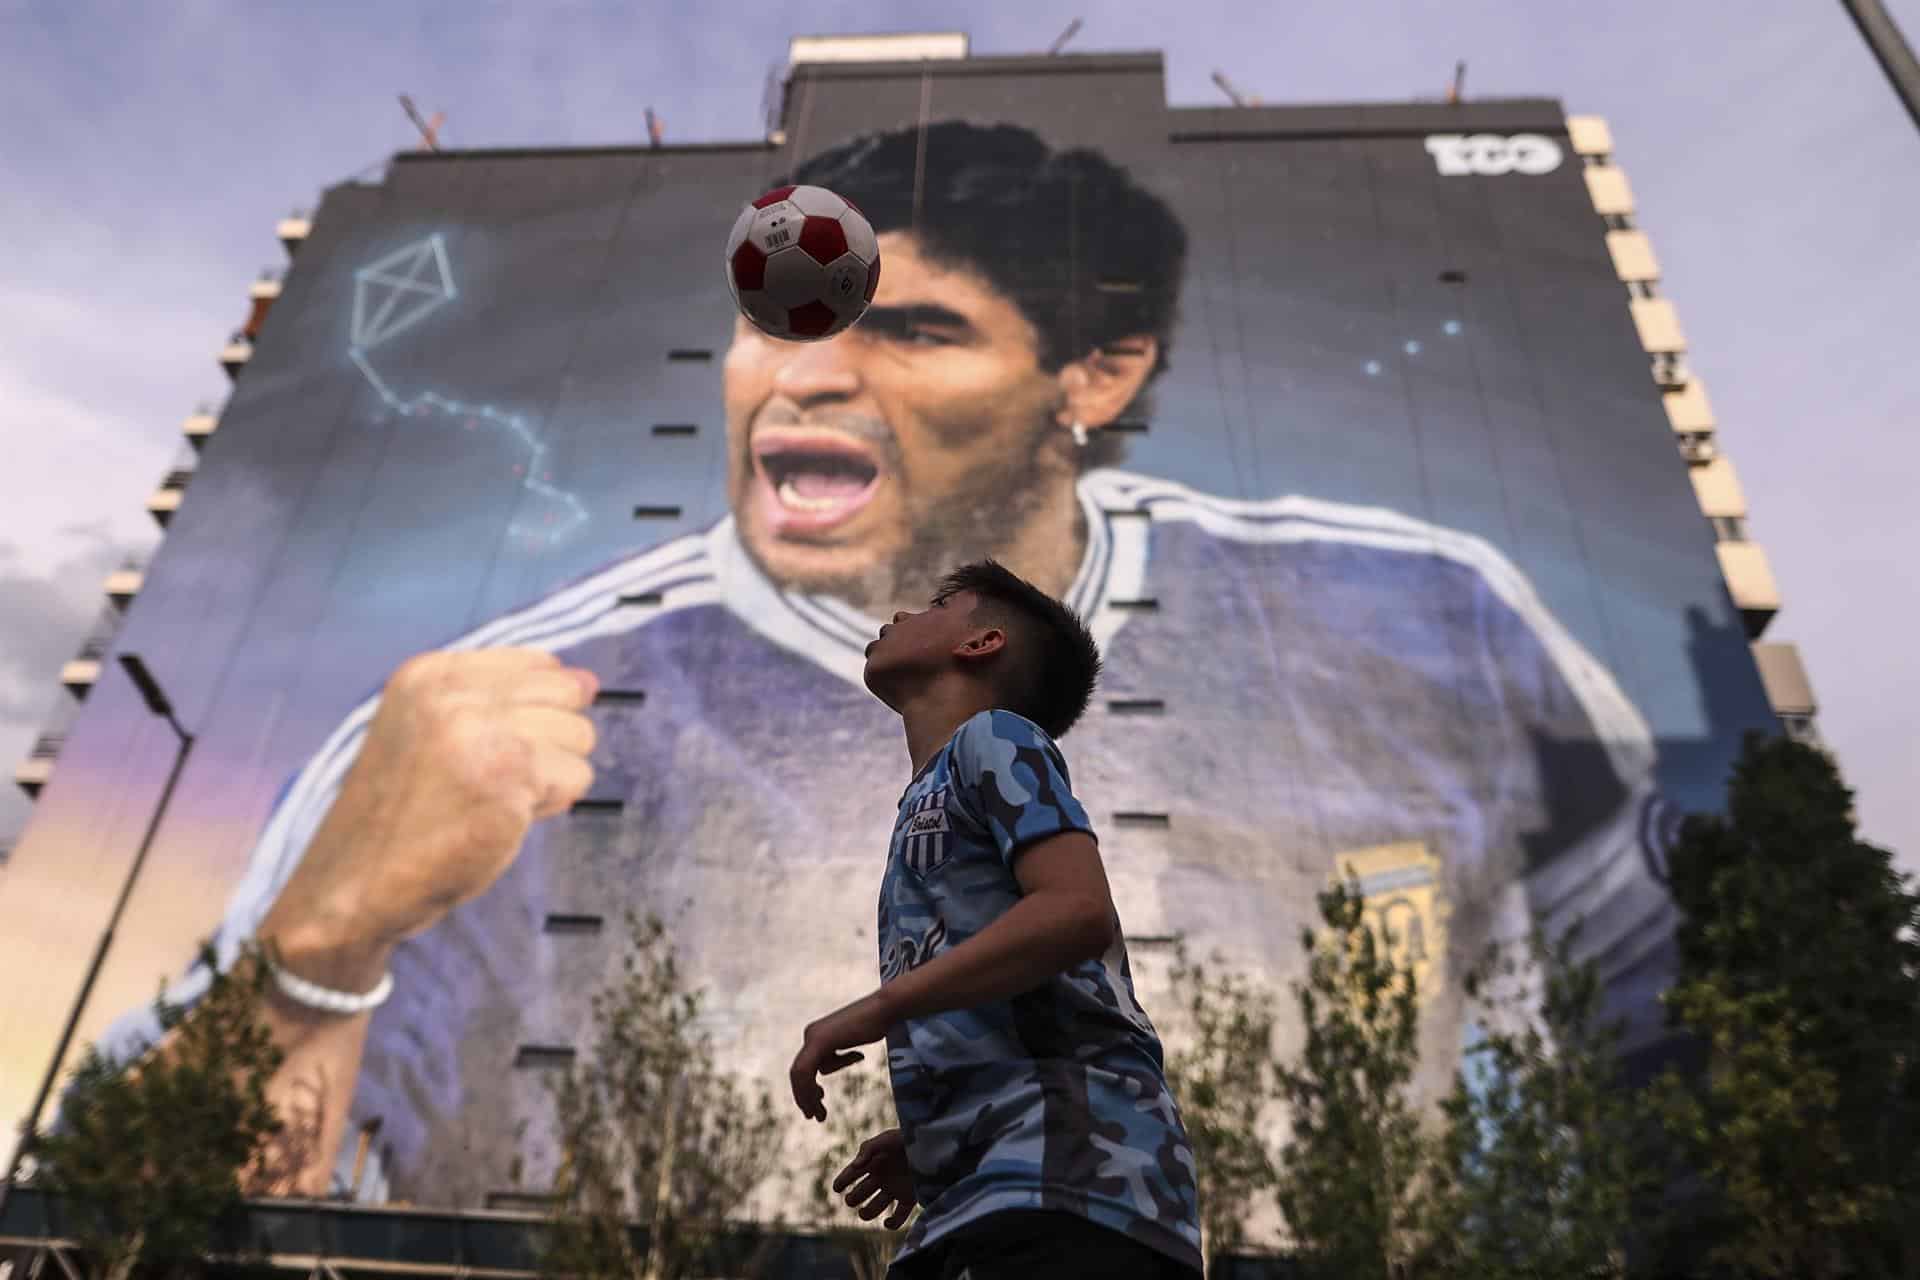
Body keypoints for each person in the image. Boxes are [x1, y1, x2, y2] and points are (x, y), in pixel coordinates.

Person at [95, 120, 1677, 1207]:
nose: (810, 375)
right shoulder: (479, 729)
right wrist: (316, 956)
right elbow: (166, 1213)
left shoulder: (1429, 620)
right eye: (779, 321)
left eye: (911, 330)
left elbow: (1689, 1041)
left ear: (1096, 372)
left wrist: (866, 1033)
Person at [789, 560, 1202, 1278]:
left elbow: (1076, 912)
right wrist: (937, 1136)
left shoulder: (997, 738)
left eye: (939, 602)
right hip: (989, 1190)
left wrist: (879, 1008)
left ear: (981, 643)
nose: (904, 613)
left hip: (1077, 1190)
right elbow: (1018, 999)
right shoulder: (930, 799)